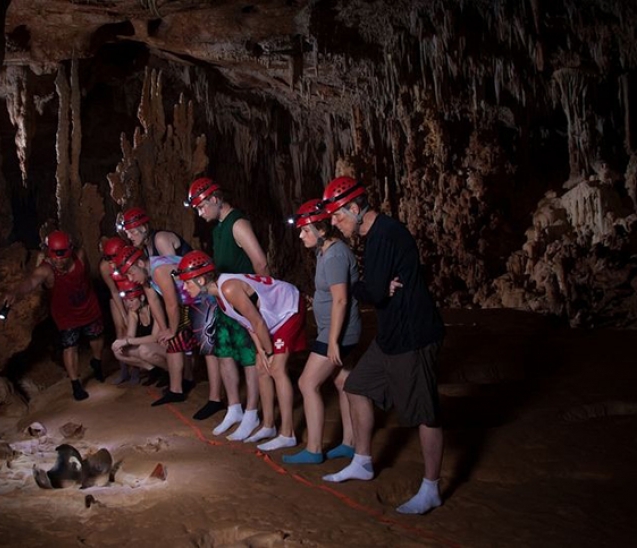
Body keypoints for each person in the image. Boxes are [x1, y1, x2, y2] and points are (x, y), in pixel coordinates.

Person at [321, 176, 446, 515]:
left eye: (337, 215)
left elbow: (373, 292)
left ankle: (431, 487)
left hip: (413, 336)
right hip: (390, 335)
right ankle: (362, 461)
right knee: (357, 385)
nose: (334, 223)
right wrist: (375, 287)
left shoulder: (384, 235)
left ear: (355, 208)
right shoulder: (374, 236)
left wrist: (360, 285)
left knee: (425, 413)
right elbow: (378, 289)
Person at [176, 251, 306, 452]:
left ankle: (287, 434)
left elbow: (257, 321)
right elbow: (249, 323)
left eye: (187, 282)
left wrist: (270, 353)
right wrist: (261, 350)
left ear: (201, 279)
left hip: (288, 308)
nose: (184, 287)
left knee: (277, 369)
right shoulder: (219, 296)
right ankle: (268, 426)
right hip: (268, 319)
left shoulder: (228, 289)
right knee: (261, 367)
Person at [282, 200, 361, 465]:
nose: (301, 235)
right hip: (336, 330)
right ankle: (350, 444)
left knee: (307, 383)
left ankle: (314, 449)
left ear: (323, 230)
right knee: (343, 383)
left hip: (339, 332)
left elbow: (341, 300)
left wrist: (334, 342)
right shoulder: (324, 252)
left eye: (306, 230)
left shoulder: (336, 254)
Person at [185, 177, 266, 437]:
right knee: (223, 352)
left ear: (215, 199)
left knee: (248, 357)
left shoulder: (238, 223)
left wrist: (261, 298)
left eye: (201, 207)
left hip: (242, 301)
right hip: (224, 300)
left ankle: (252, 412)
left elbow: (260, 263)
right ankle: (234, 408)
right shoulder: (218, 226)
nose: (200, 213)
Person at [5, 230, 105, 401]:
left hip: (88, 305)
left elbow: (86, 275)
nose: (58, 261)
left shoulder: (80, 256)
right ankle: (75, 384)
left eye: (62, 257)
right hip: (66, 314)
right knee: (70, 346)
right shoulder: (46, 269)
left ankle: (96, 361)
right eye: (55, 258)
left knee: (96, 336)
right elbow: (31, 281)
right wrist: (16, 292)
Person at [119, 245, 212, 406]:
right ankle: (178, 387)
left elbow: (172, 304)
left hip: (203, 301)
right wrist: (164, 330)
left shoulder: (158, 271)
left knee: (180, 339)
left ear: (141, 264)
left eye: (131, 273)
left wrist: (172, 330)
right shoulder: (147, 276)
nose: (131, 279)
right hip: (188, 303)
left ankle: (183, 387)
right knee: (174, 342)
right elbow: (154, 301)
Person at [110, 278, 167, 383]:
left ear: (141, 297)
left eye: (131, 300)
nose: (128, 304)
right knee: (118, 352)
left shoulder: (154, 308)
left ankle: (169, 372)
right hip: (152, 347)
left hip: (165, 345)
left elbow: (155, 337)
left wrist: (127, 341)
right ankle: (152, 369)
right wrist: (121, 343)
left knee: (144, 350)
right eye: (126, 301)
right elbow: (130, 336)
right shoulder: (133, 312)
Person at [98, 235, 134, 384]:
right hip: (119, 295)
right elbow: (113, 291)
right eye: (109, 259)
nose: (112, 263)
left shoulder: (130, 259)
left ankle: (137, 370)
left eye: (114, 258)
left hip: (134, 294)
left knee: (132, 331)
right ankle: (124, 370)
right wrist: (124, 315)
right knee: (120, 330)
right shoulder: (105, 267)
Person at [116, 206, 192, 258]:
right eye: (127, 233)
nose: (129, 236)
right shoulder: (146, 247)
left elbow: (172, 270)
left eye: (132, 232)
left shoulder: (161, 239)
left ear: (144, 228)